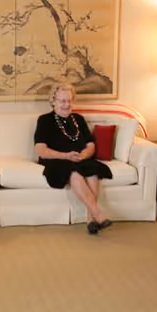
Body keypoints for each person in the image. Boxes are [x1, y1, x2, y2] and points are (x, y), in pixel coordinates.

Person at [35, 82, 114, 234]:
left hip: (80, 158)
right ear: (54, 101)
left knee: (92, 171)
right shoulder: (44, 120)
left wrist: (84, 154)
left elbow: (90, 144)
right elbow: (40, 150)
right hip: (57, 160)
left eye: (69, 100)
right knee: (74, 172)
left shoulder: (78, 119)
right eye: (62, 101)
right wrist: (65, 155)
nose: (67, 105)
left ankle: (91, 219)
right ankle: (97, 213)